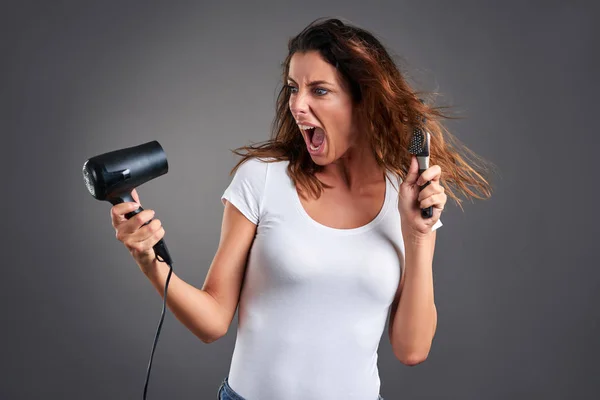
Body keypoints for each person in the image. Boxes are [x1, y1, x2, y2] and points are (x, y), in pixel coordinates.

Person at [110, 17, 492, 400]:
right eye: (293, 89)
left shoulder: (406, 196)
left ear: (362, 100)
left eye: (319, 91)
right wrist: (148, 261)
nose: (298, 105)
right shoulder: (261, 180)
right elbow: (211, 322)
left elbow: (412, 350)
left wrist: (419, 236)